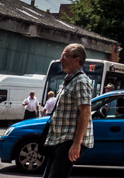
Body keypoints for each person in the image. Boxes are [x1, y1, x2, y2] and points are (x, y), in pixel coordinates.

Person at [43, 43, 94, 178]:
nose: (61, 60)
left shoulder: (80, 81)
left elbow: (85, 112)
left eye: (64, 56)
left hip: (69, 141)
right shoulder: (69, 80)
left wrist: (76, 144)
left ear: (77, 59)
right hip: (60, 140)